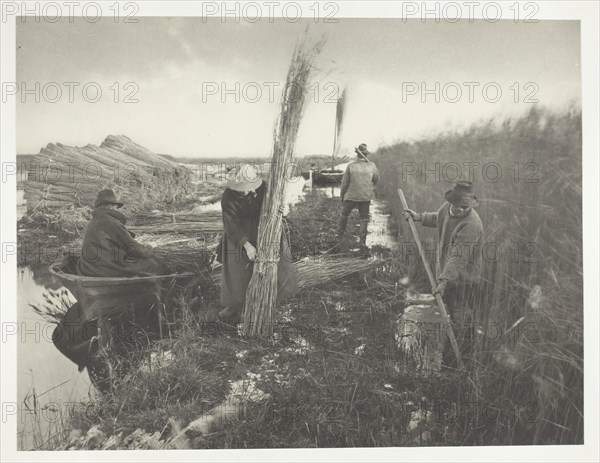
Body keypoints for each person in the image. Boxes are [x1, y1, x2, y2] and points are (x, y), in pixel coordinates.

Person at [403, 181, 483, 350]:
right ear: (452, 201)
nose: (459, 209)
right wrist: (419, 217)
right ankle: (455, 348)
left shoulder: (472, 225)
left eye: (464, 207)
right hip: (448, 274)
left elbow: (458, 257)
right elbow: (438, 218)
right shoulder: (447, 207)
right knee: (452, 313)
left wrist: (444, 280)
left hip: (465, 278)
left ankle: (464, 352)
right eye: (456, 205)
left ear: (469, 205)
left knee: (462, 315)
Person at [217, 165, 299, 325]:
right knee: (237, 266)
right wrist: (246, 245)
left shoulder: (266, 188)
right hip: (239, 231)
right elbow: (231, 224)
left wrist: (283, 209)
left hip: (265, 228)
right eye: (242, 189)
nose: (246, 192)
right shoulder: (228, 197)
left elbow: (280, 207)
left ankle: (273, 298)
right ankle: (235, 304)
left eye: (249, 188)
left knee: (275, 262)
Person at [77, 189, 162, 278]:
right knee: (153, 263)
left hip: (88, 269)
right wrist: (149, 247)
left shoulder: (94, 221)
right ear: (110, 206)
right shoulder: (112, 222)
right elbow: (134, 249)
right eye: (116, 207)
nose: (117, 210)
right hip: (103, 271)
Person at [339, 143, 380, 250]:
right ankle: (362, 242)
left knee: (344, 215)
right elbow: (376, 180)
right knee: (364, 218)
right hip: (365, 196)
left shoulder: (351, 166)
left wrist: (342, 196)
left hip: (351, 195)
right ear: (366, 154)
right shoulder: (372, 165)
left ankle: (339, 236)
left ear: (357, 154)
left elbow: (344, 184)